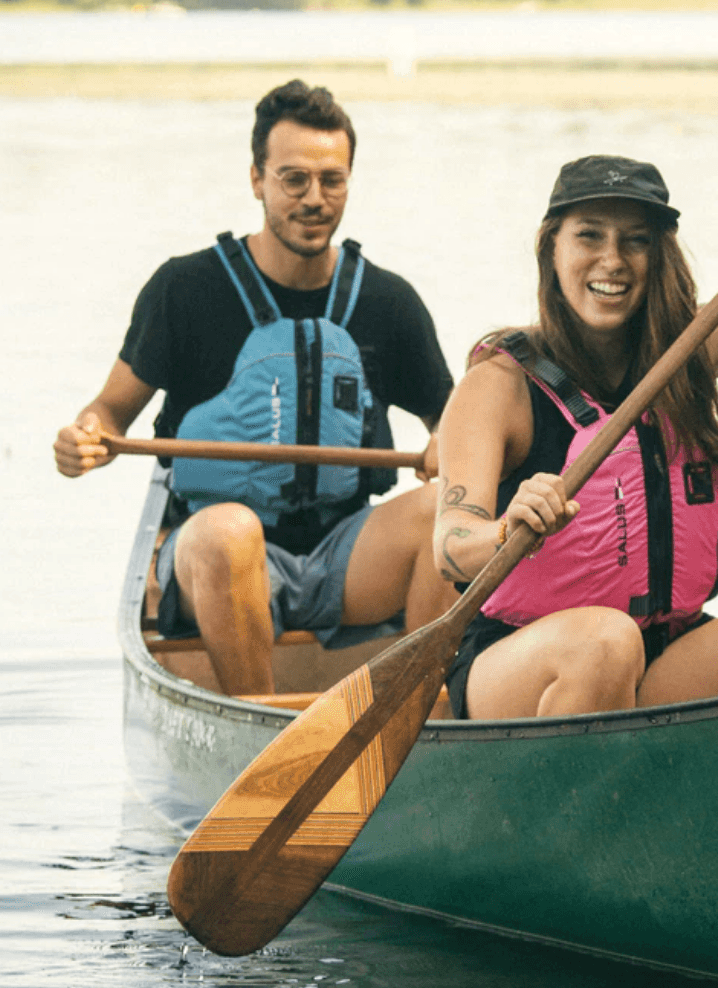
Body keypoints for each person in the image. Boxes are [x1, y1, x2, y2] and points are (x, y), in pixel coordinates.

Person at [434, 148, 718, 720]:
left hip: (662, 651)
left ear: (661, 254)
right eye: (589, 237)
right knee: (605, 642)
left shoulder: (701, 342)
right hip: (518, 664)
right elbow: (450, 549)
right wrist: (506, 530)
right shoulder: (499, 385)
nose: (612, 260)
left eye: (635, 240)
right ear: (551, 249)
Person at [54, 79, 455, 696]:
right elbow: (109, 412)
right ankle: (261, 726)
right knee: (229, 530)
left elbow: (452, 426)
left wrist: (450, 454)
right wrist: (85, 439)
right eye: (294, 179)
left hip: (345, 555)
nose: (314, 198)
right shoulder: (183, 289)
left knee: (444, 512)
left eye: (333, 180)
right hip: (214, 554)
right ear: (256, 179)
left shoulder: (389, 301)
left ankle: (421, 713)